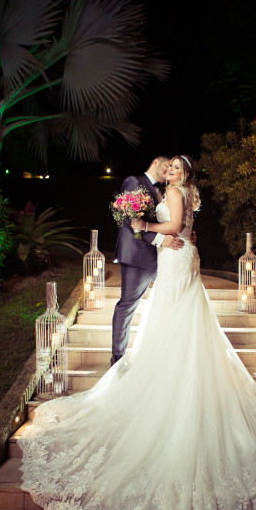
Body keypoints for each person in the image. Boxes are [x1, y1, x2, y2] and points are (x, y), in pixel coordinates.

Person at [19, 154, 256, 510]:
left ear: (185, 174)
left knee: (174, 317)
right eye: (170, 167)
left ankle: (174, 380)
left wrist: (144, 225)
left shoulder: (176, 193)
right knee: (166, 318)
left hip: (176, 262)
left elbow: (176, 226)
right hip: (172, 259)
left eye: (178, 168)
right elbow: (180, 226)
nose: (173, 172)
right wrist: (159, 231)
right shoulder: (164, 190)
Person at [111, 155, 185, 366]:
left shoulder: (164, 191)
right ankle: (117, 358)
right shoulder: (134, 182)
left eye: (173, 167)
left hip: (163, 258)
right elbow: (130, 222)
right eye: (167, 165)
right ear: (155, 162)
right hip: (138, 256)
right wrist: (161, 239)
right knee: (127, 305)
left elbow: (172, 221)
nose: (169, 169)